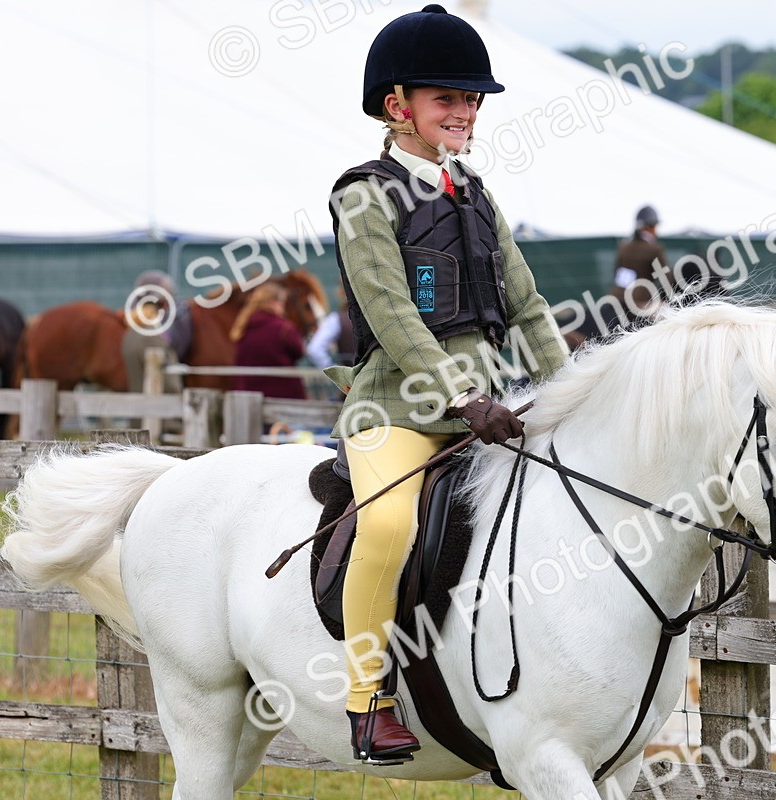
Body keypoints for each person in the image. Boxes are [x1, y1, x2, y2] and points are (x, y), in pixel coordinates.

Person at [324, 4, 568, 765]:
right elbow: (391, 315)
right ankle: (368, 700)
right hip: (397, 409)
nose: (464, 112)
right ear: (399, 107)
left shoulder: (476, 192)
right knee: (390, 525)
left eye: (470, 101)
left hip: (487, 409)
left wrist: (572, 389)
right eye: (447, 100)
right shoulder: (363, 195)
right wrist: (465, 397)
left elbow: (526, 303)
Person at [230, 282, 307, 400]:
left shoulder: (242, 328)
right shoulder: (283, 328)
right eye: (282, 302)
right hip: (284, 397)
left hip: (248, 399)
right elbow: (299, 350)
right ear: (273, 302)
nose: (283, 307)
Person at [121, 270, 181, 395]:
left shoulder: (130, 333)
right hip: (158, 409)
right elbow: (170, 385)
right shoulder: (152, 336)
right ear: (163, 303)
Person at [609, 205, 669, 327]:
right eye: (656, 226)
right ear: (650, 226)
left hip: (617, 299)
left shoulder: (623, 247)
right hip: (641, 303)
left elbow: (617, 273)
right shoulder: (654, 249)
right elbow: (665, 280)